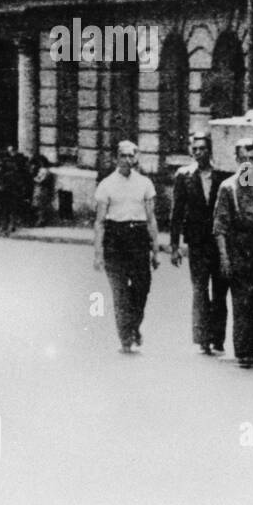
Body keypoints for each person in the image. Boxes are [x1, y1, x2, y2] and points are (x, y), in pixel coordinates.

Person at [213, 138, 253, 368]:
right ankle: (243, 350)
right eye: (243, 158)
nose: (248, 162)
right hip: (240, 250)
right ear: (236, 159)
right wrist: (224, 258)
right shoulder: (228, 188)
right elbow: (220, 227)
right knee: (243, 301)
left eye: (252, 158)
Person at [93, 141, 159, 354]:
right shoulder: (106, 185)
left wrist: (155, 250)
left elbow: (151, 218)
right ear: (116, 158)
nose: (128, 161)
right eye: (124, 156)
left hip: (138, 238)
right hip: (115, 239)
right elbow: (100, 221)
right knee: (120, 293)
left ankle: (134, 326)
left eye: (132, 156)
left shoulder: (145, 184)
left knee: (142, 288)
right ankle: (125, 338)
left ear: (136, 158)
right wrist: (98, 253)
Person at [170, 133, 228, 356]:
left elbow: (246, 188)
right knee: (200, 289)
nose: (198, 153)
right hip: (197, 243)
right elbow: (176, 213)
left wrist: (247, 163)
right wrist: (174, 247)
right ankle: (203, 338)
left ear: (210, 151)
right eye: (195, 149)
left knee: (221, 290)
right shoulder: (183, 176)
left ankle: (218, 338)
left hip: (219, 241)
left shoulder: (224, 173)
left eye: (203, 148)